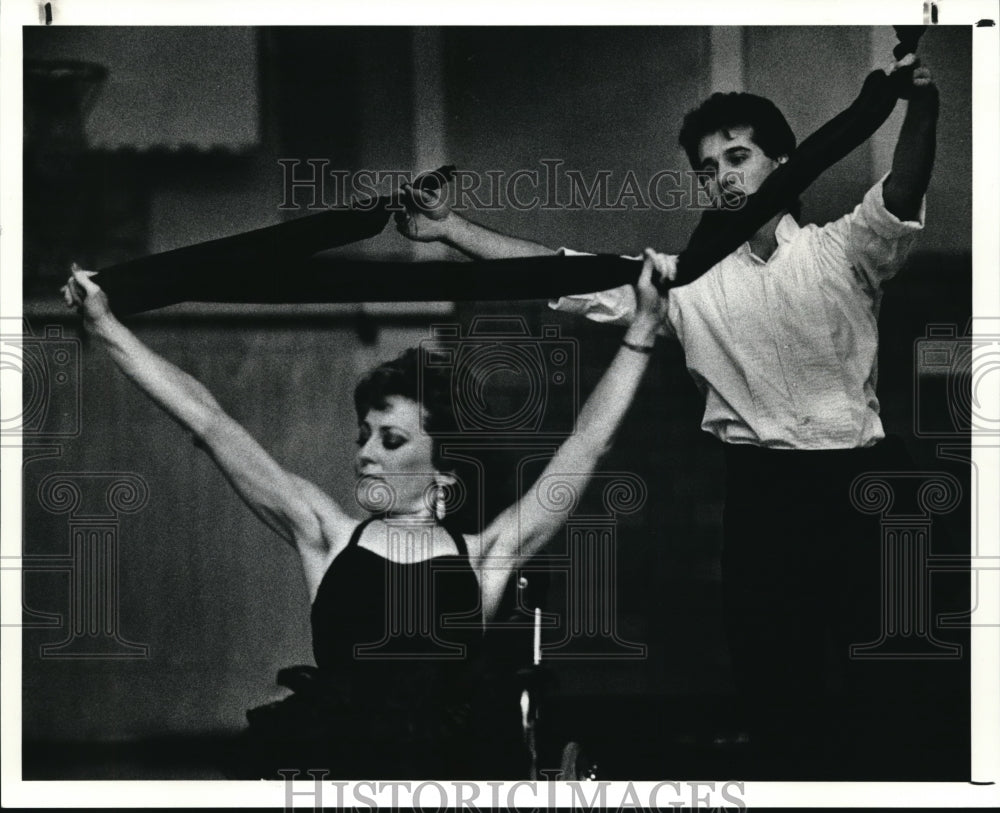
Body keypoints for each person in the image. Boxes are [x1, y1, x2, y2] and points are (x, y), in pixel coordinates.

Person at [397, 56, 940, 776]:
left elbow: (902, 186)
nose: (723, 176)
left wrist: (922, 106)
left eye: (738, 157)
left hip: (858, 492)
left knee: (877, 690)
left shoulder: (842, 249)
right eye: (708, 167)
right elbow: (563, 273)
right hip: (761, 499)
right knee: (778, 694)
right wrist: (449, 229)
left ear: (782, 162)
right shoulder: (683, 281)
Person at [61, 251, 672, 779]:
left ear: (446, 469)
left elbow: (587, 443)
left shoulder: (485, 554)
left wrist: (643, 323)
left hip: (451, 774)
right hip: (339, 766)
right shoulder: (325, 535)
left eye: (391, 440)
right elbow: (209, 421)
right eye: (363, 436)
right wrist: (105, 325)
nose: (364, 455)